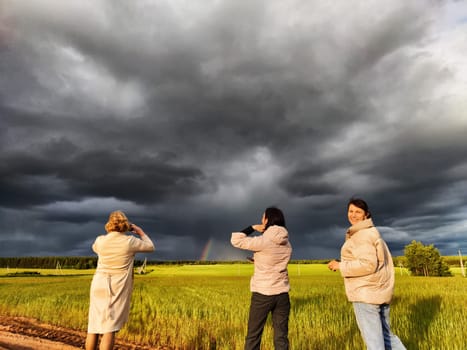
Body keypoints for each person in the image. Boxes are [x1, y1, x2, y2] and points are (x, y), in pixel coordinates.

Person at [328, 198, 405, 350]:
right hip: (379, 292)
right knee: (387, 337)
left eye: (358, 212)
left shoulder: (362, 235)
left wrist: (340, 266)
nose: (353, 215)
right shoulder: (372, 233)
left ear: (366, 215)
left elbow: (368, 264)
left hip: (366, 294)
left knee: (374, 343)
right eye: (351, 211)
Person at [85, 210, 155, 350]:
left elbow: (95, 248)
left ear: (109, 224)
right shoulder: (130, 241)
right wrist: (140, 232)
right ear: (125, 225)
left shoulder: (100, 241)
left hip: (98, 284)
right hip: (116, 287)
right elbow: (150, 247)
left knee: (93, 325)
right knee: (109, 328)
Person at [231, 207, 292, 350]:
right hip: (282, 295)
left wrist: (252, 227)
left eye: (263, 218)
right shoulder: (288, 243)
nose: (261, 220)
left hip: (263, 295)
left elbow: (236, 240)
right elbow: (276, 261)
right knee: (281, 337)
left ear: (267, 220)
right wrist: (258, 260)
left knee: (253, 336)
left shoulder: (263, 241)